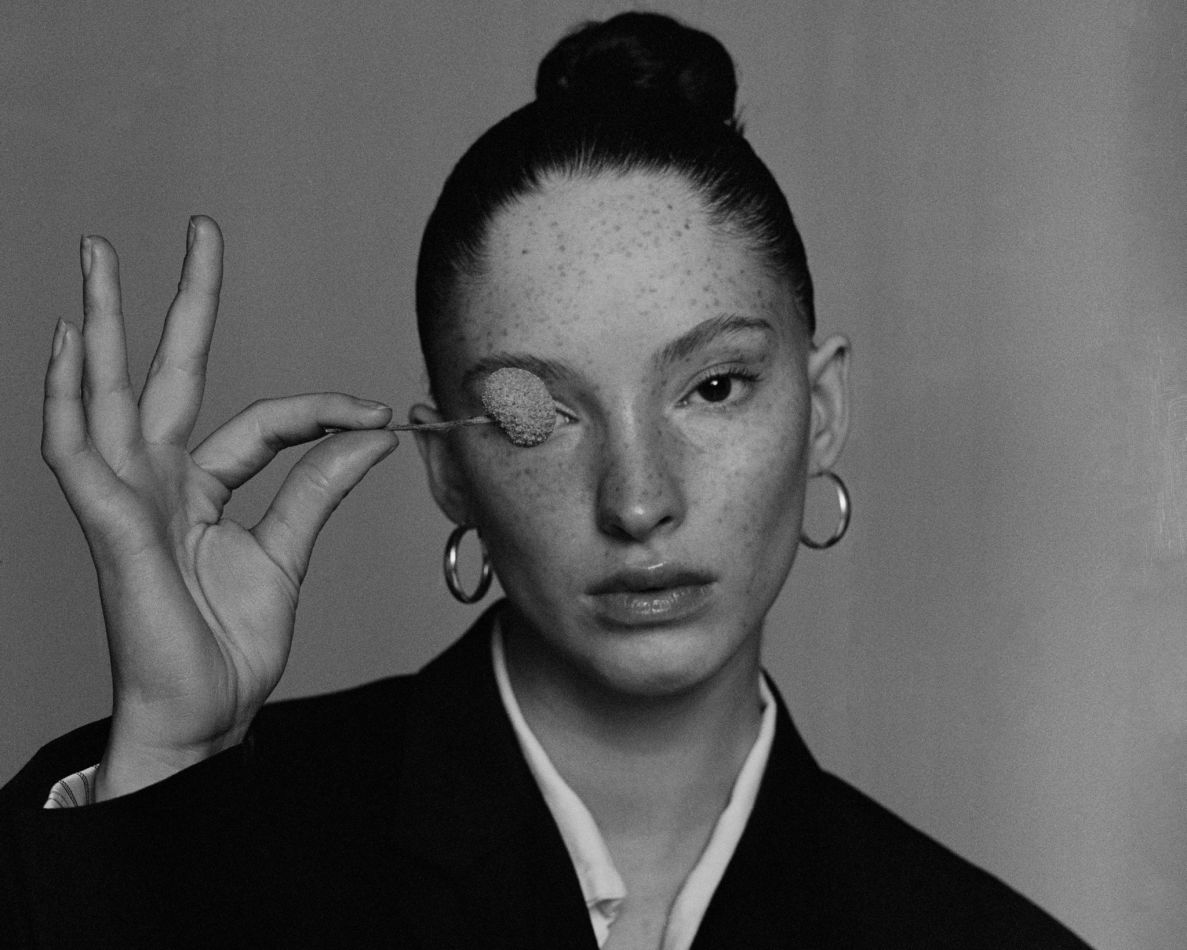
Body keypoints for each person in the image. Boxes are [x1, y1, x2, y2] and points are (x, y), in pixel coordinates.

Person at [1, 12, 1090, 949]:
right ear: (449, 467)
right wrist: (166, 764)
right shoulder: (191, 834)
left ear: (822, 410)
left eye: (713, 386)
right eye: (541, 415)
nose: (638, 500)